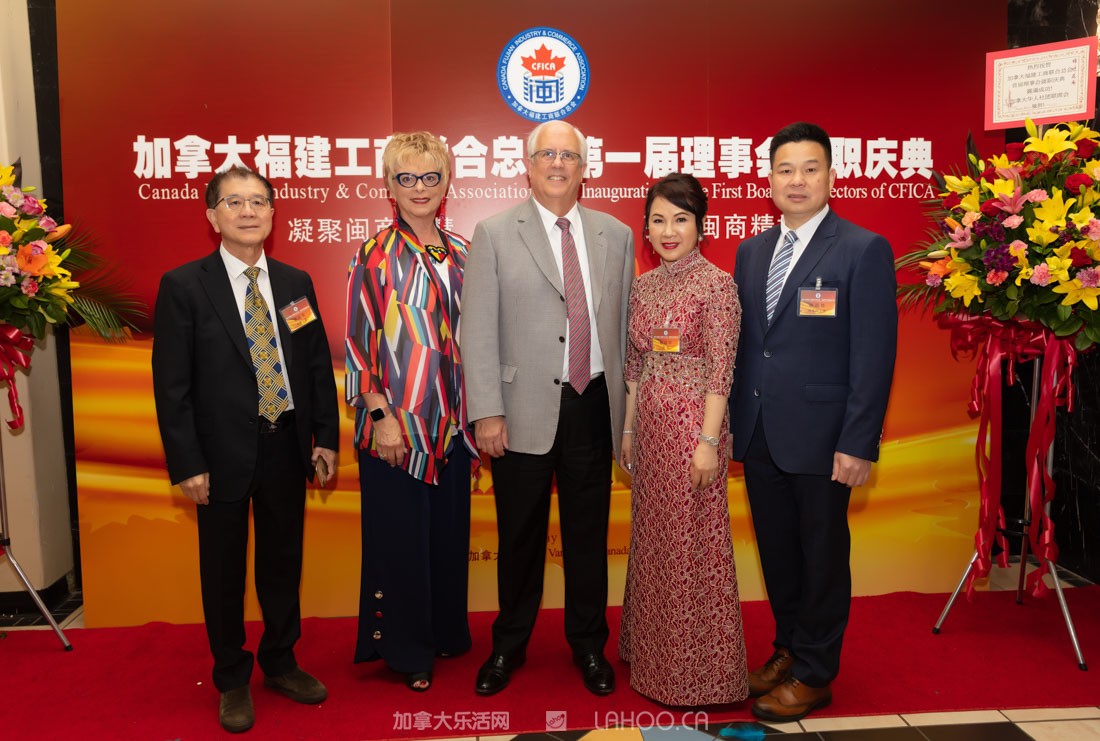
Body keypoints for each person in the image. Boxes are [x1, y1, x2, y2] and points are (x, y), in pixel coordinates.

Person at [152, 166, 340, 734]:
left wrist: (326, 437)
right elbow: (171, 385)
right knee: (224, 571)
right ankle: (232, 678)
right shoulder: (185, 285)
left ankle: (280, 662)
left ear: (273, 214)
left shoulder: (294, 282)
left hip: (286, 444)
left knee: (282, 564)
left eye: (259, 201)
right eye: (234, 202)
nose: (248, 211)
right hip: (218, 456)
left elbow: (314, 365)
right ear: (212, 217)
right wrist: (188, 462)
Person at [729, 122, 897, 722]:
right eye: (785, 169)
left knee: (822, 556)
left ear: (831, 175)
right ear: (769, 179)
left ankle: (816, 673)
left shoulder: (862, 248)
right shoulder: (751, 251)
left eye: (809, 168)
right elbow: (752, 346)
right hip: (760, 432)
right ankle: (788, 649)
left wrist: (859, 441)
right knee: (778, 553)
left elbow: (874, 355)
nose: (796, 180)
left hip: (826, 440)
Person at [462, 120, 634, 697]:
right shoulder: (493, 232)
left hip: (593, 406)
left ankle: (588, 646)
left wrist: (628, 419)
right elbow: (477, 329)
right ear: (528, 166)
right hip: (518, 410)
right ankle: (508, 646)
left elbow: (625, 330)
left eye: (569, 155)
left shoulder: (616, 235)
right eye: (547, 155)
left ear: (585, 167)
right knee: (519, 539)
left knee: (588, 539)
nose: (558, 164)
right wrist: (487, 411)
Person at [344, 131, 478, 692]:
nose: (419, 188)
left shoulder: (464, 251)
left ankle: (443, 632)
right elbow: (359, 341)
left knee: (446, 537)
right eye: (406, 177)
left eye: (430, 176)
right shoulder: (374, 254)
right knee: (400, 542)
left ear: (446, 182)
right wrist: (380, 417)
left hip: (452, 425)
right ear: (389, 185)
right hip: (398, 425)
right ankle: (407, 651)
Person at [618, 173, 747, 706]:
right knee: (654, 544)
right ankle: (651, 653)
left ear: (700, 226)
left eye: (681, 219)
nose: (669, 231)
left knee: (691, 546)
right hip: (650, 432)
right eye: (658, 220)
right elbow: (634, 365)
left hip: (694, 430)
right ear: (646, 229)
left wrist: (709, 442)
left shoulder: (717, 285)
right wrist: (628, 429)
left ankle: (696, 673)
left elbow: (721, 371)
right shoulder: (643, 286)